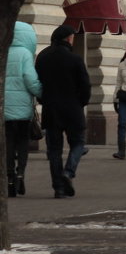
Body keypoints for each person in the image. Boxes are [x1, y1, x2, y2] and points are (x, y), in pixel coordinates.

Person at [35, 24, 91, 198]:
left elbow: (38, 83)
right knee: (78, 143)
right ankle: (68, 172)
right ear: (68, 38)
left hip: (51, 109)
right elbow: (85, 86)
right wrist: (81, 102)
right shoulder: (75, 59)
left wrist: (43, 100)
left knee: (54, 150)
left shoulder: (43, 57)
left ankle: (58, 188)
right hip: (72, 108)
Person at [5, 21, 42, 197]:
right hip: (22, 110)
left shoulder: (3, 52)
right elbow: (30, 79)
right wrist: (41, 93)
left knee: (8, 144)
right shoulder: (25, 54)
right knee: (22, 144)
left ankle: (9, 178)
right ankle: (20, 174)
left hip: (5, 110)